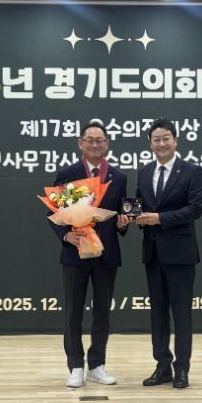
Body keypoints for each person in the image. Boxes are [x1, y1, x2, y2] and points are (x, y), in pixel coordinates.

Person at [48, 120, 130, 388]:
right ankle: (75, 366)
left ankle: (97, 365)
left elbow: (122, 213)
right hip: (75, 253)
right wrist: (65, 235)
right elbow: (53, 211)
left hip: (106, 254)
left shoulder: (118, 177)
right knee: (73, 313)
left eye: (100, 140)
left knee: (102, 313)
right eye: (90, 140)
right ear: (80, 143)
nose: (95, 144)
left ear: (107, 144)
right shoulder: (68, 173)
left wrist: (124, 223)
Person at [134, 118, 202, 389]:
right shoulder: (144, 172)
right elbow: (138, 205)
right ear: (150, 143)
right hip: (153, 253)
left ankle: (182, 368)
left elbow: (195, 209)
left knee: (182, 313)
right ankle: (162, 365)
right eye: (156, 139)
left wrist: (159, 219)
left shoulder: (191, 171)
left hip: (180, 253)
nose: (161, 143)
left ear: (175, 140)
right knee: (158, 313)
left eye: (166, 138)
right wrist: (131, 217)